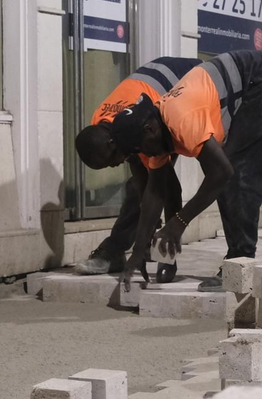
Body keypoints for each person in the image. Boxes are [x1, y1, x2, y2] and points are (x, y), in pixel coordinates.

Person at [108, 50, 262, 288]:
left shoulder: (181, 119)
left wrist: (179, 223)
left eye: (142, 149)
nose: (145, 156)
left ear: (149, 130)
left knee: (237, 173)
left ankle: (239, 263)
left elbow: (222, 173)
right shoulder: (156, 132)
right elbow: (155, 192)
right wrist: (138, 250)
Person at [72, 56, 200, 280]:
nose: (116, 165)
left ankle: (237, 254)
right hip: (157, 88)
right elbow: (141, 181)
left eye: (111, 160)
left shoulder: (142, 127)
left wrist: (168, 260)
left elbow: (170, 192)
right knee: (140, 188)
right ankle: (123, 248)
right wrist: (146, 233)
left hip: (193, 81)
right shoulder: (101, 123)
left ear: (114, 143)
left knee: (167, 185)